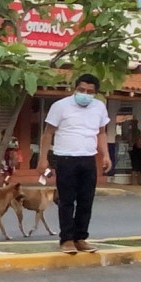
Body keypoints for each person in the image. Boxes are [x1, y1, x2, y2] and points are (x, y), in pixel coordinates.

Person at [37, 74, 111, 254]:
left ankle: (81, 238)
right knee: (67, 201)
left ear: (95, 93)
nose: (85, 94)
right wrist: (42, 158)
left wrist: (106, 155)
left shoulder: (99, 107)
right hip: (66, 159)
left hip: (88, 159)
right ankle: (67, 239)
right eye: (82, 90)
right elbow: (48, 133)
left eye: (90, 92)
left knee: (86, 201)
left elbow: (101, 133)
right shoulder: (60, 106)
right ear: (75, 89)